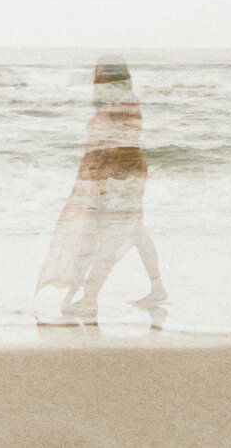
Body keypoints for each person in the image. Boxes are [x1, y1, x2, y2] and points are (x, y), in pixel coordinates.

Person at [36, 58, 167, 326]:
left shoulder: (123, 106)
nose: (98, 84)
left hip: (119, 177)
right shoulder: (119, 104)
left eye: (103, 79)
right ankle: (155, 288)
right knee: (133, 231)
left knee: (106, 236)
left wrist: (98, 185)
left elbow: (116, 149)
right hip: (120, 175)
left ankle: (90, 297)